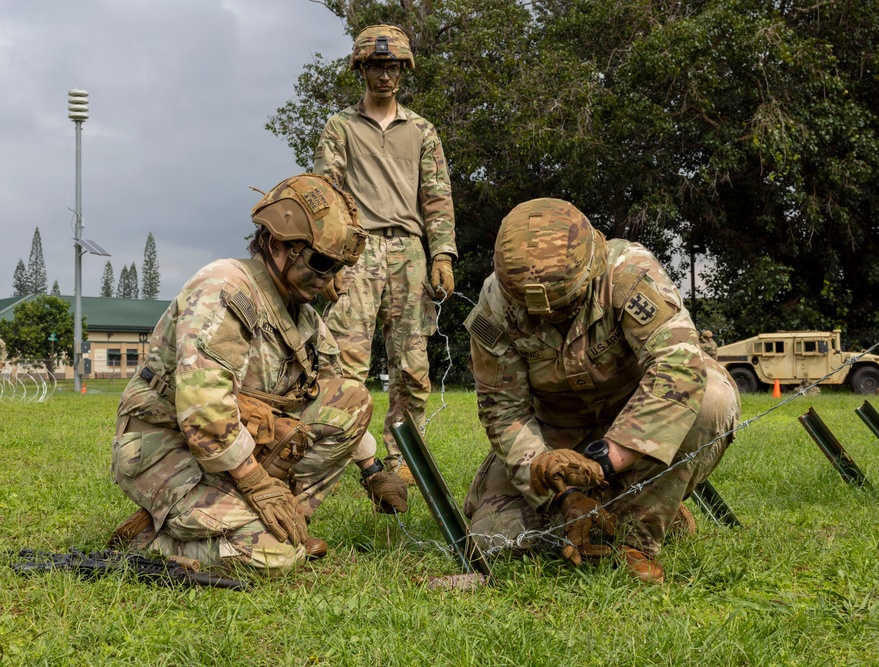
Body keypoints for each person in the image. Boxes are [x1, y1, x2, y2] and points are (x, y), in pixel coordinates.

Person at [108, 174, 408, 577]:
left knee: (352, 399)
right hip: (164, 442)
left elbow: (332, 397)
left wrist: (373, 471)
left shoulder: (303, 318)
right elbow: (203, 406)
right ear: (276, 243)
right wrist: (256, 483)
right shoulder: (225, 288)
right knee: (271, 559)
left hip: (230, 445)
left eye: (337, 268)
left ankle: (279, 524)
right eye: (321, 263)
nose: (328, 279)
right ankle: (156, 540)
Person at [462, 199, 741, 584]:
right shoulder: (494, 307)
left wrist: (604, 461)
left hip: (634, 421)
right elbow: (503, 412)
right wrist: (561, 495)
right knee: (494, 539)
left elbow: (678, 366)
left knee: (711, 398)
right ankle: (615, 509)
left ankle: (634, 538)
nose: (548, 316)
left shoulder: (627, 273)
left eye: (564, 305)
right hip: (555, 437)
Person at [313, 24, 458, 484]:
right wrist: (329, 261)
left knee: (412, 367)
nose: (384, 75)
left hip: (409, 253)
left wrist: (442, 255)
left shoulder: (421, 130)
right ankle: (342, 457)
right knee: (343, 364)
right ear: (362, 69)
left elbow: (437, 197)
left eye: (392, 66)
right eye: (376, 66)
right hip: (357, 251)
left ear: (403, 70)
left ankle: (403, 461)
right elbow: (327, 195)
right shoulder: (340, 127)